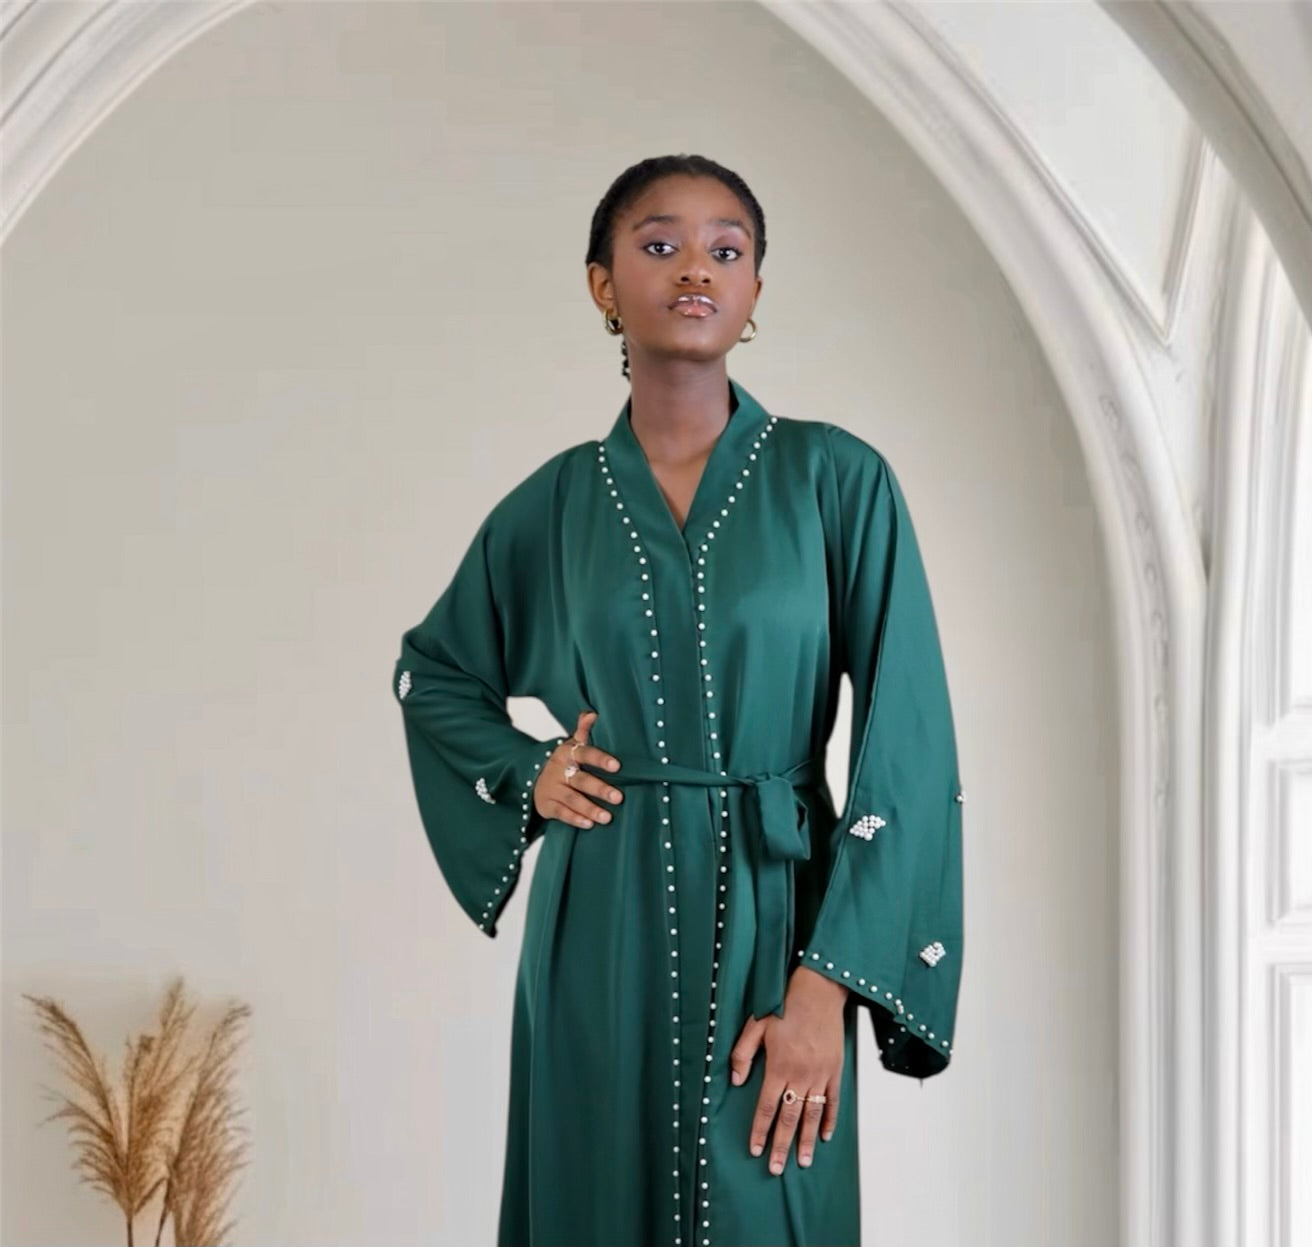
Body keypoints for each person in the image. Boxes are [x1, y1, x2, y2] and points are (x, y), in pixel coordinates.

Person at [391, 153, 964, 1247]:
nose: (694, 268)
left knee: (769, 1197)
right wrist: (528, 771)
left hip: (777, 914)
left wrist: (826, 988)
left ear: (753, 291)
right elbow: (434, 672)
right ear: (603, 284)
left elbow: (910, 748)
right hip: (597, 918)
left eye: (726, 249)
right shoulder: (558, 501)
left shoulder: (835, 480)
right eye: (658, 246)